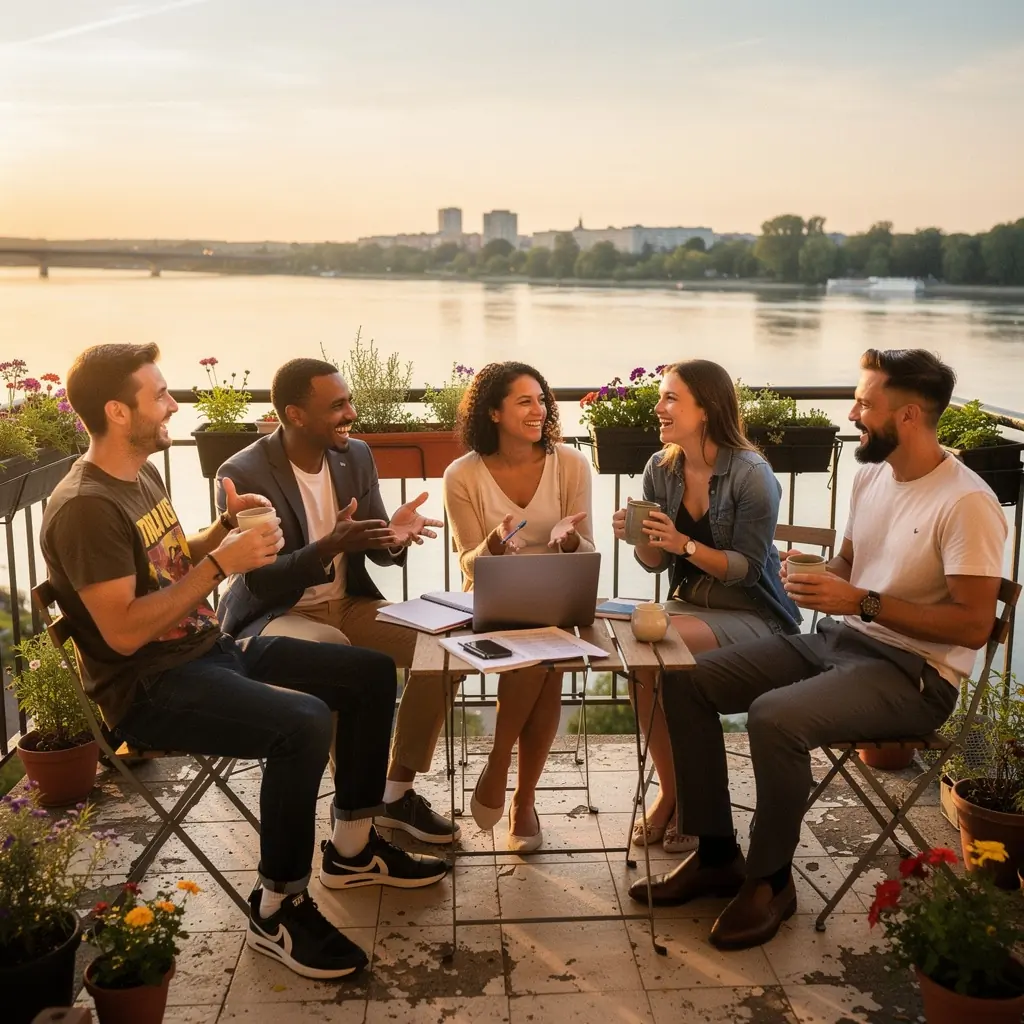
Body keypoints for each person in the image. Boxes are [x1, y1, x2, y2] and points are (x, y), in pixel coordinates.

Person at [41, 344, 448, 983]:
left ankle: (351, 847)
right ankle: (278, 906)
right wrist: (220, 564)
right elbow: (122, 633)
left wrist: (220, 531)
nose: (174, 403)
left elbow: (168, 564)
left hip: (208, 652)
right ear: (118, 411)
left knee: (368, 672)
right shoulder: (87, 506)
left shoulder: (137, 475)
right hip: (153, 686)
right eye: (160, 395)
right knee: (304, 721)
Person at [628, 348, 1007, 951]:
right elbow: (851, 569)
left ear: (908, 416)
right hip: (840, 640)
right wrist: (814, 579)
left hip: (914, 675)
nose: (852, 412)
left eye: (865, 403)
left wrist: (859, 600)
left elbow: (970, 625)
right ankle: (717, 852)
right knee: (683, 677)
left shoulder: (967, 502)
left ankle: (771, 880)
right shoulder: (872, 475)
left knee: (774, 717)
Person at [216, 357, 459, 844]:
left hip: (349, 602)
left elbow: (369, 541)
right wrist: (328, 545)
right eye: (338, 406)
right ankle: (355, 815)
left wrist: (394, 535)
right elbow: (261, 583)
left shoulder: (356, 456)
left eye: (349, 401)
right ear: (296, 414)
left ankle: (394, 791)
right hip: (277, 614)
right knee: (338, 655)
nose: (350, 414)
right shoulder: (244, 472)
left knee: (444, 649)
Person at [613, 360, 800, 853]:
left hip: (754, 617)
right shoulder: (662, 468)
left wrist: (684, 545)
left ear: (707, 408)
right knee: (637, 653)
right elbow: (653, 563)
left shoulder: (751, 474)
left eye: (671, 398)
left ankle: (691, 807)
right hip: (690, 606)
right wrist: (641, 534)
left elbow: (747, 570)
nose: (658, 407)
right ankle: (674, 794)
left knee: (661, 648)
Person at [442, 361, 594, 852]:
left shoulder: (570, 464)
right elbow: (468, 562)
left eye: (541, 400)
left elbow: (587, 552)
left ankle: (503, 765)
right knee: (543, 665)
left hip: (557, 600)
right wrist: (491, 543)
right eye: (524, 401)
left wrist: (568, 542)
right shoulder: (461, 475)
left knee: (543, 657)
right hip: (493, 604)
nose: (539, 410)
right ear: (493, 412)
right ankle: (521, 798)